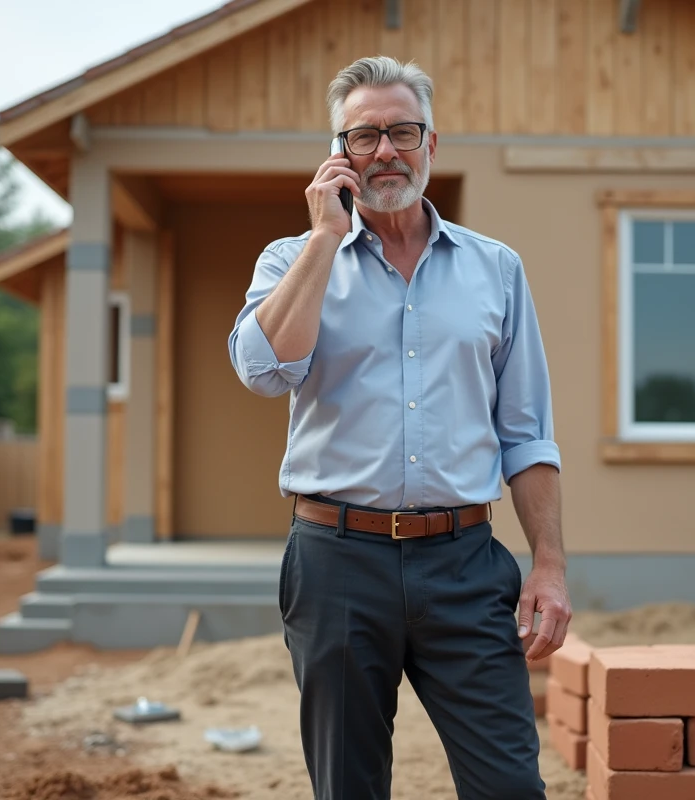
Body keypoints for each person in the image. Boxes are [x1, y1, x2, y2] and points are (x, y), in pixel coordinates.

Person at [227, 55, 571, 800]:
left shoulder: (497, 270)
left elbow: (527, 433)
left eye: (401, 132)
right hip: (335, 563)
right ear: (338, 155)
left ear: (431, 146)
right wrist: (325, 240)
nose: (385, 150)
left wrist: (548, 564)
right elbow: (261, 370)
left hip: (465, 564)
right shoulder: (291, 260)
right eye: (364, 136)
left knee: (511, 786)